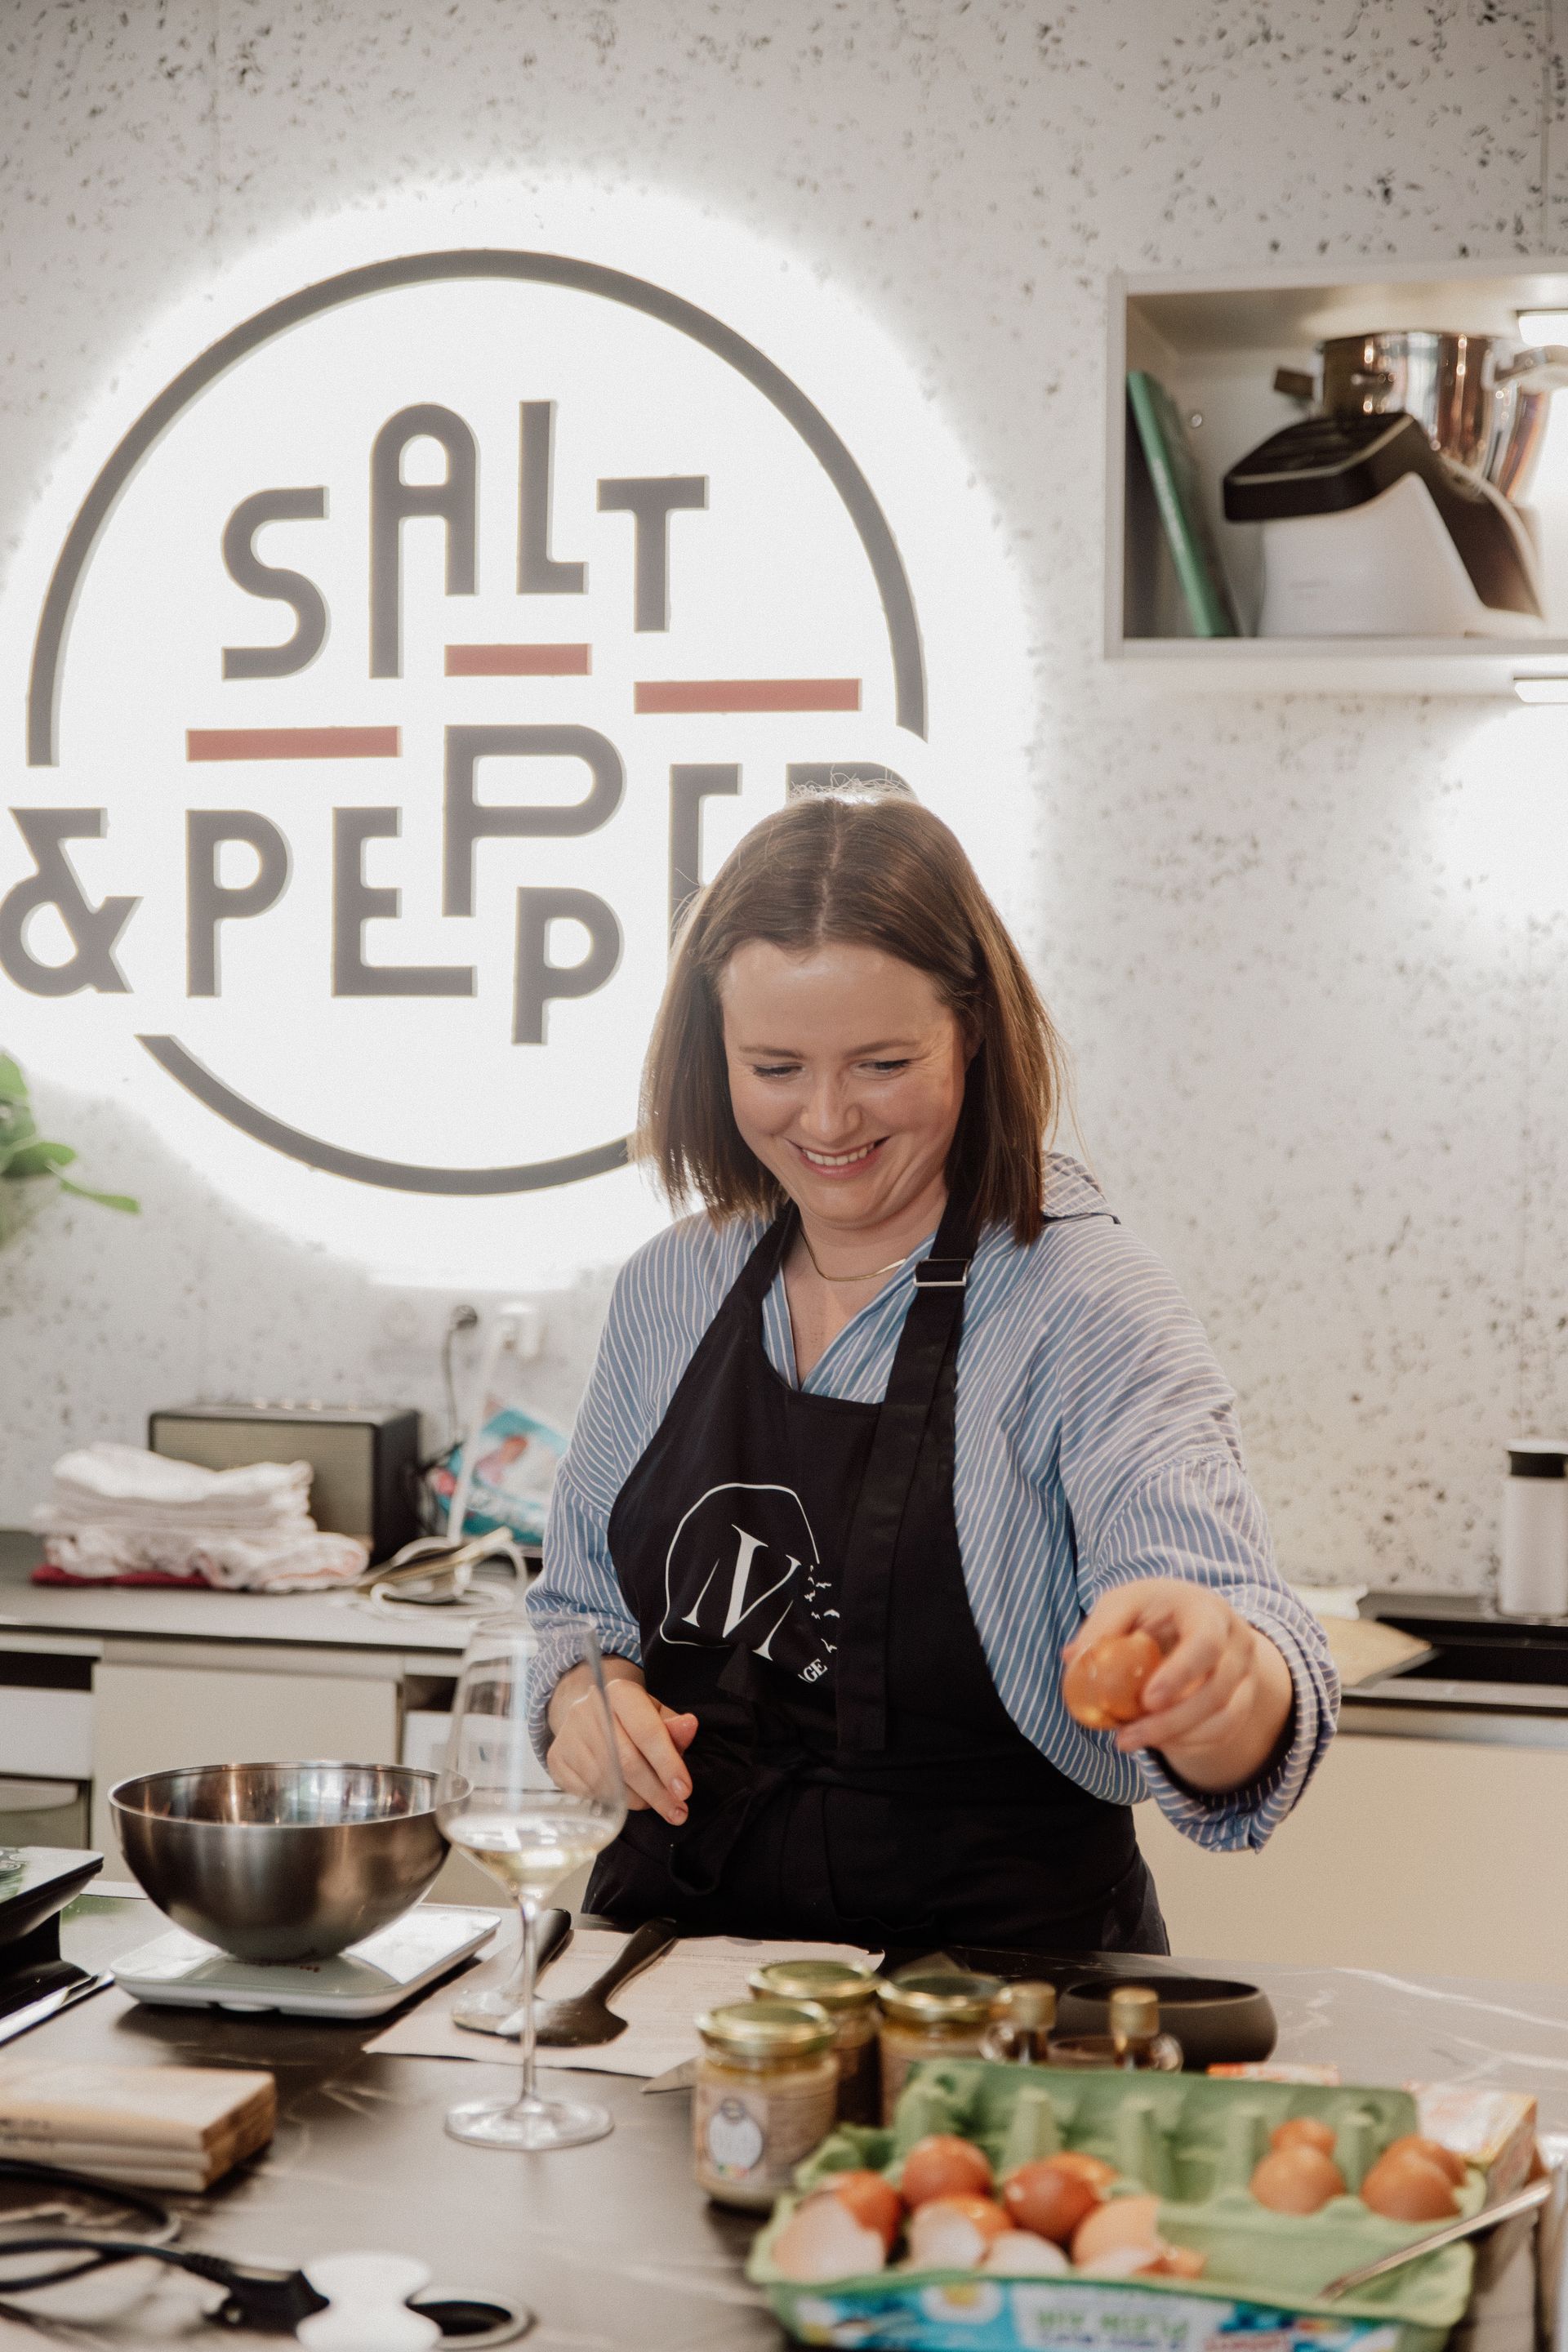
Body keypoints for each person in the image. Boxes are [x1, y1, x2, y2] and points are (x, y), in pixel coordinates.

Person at [532, 791, 1336, 1953]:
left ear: (972, 1033)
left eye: (881, 1062)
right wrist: (581, 1697)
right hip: (670, 1983)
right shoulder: (674, 1284)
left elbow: (1231, 1639)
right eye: (774, 1065)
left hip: (998, 1999)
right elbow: (577, 1611)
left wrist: (1218, 1686)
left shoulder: (1085, 1304)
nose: (825, 1117)